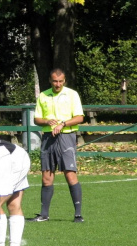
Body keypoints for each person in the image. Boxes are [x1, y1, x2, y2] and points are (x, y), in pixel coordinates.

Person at [28, 68, 85, 223]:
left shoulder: (72, 95)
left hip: (66, 137)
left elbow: (80, 117)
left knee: (70, 174)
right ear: (50, 80)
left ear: (64, 81)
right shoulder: (43, 95)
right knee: (46, 176)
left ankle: (78, 215)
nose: (58, 84)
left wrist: (63, 124)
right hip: (48, 138)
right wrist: (47, 121)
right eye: (55, 81)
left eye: (60, 81)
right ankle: (44, 214)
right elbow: (37, 119)